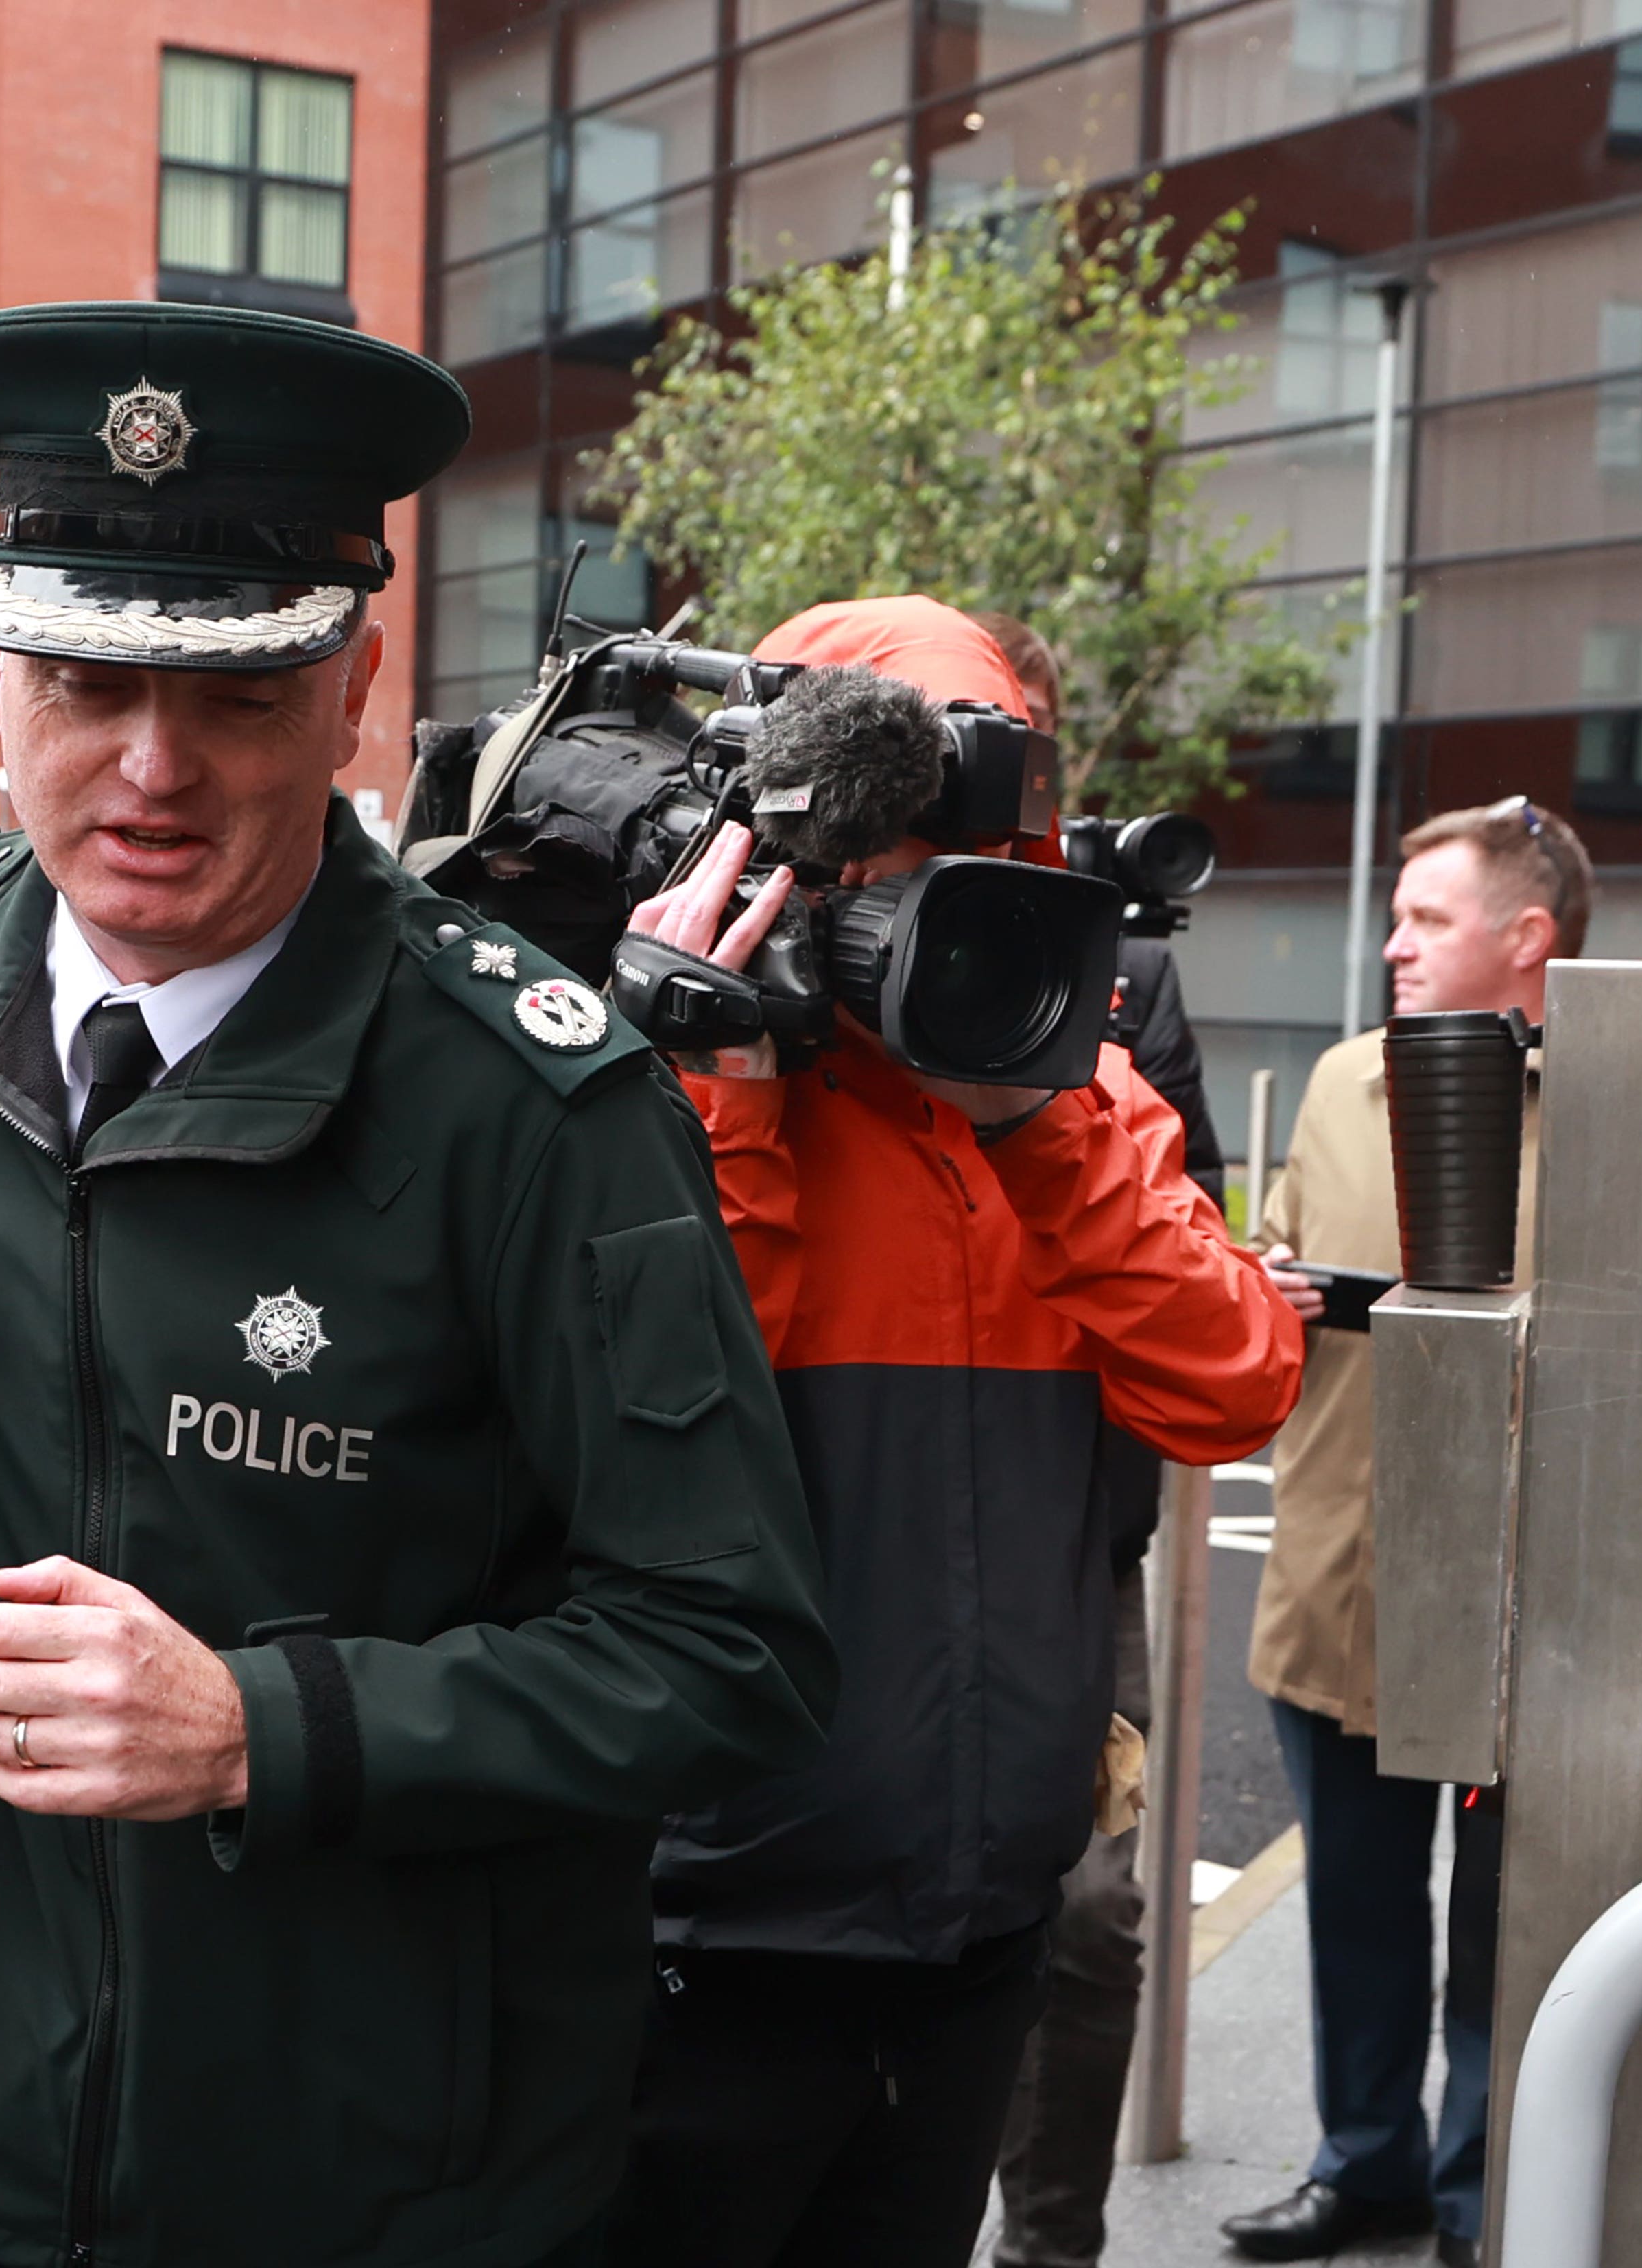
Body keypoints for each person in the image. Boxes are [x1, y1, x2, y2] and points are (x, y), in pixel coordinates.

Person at [0, 301, 835, 2268]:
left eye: (233, 692)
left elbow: (737, 1657)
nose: (148, 768)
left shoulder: (536, 1103)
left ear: (357, 686)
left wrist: (252, 1728)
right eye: (79, 679)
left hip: (381, 2187)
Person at [612, 595, 1304, 2268]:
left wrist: (1032, 1113)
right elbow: (658, 1429)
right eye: (878, 867)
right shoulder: (659, 1071)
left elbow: (1231, 1382)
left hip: (977, 1933)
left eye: (961, 862)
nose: (913, 916)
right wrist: (724, 1077)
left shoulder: (1072, 1090)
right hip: (711, 1940)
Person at [1226, 796, 1592, 2267]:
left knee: (1508, 1931)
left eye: (1424, 918)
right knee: (1354, 1913)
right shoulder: (1335, 1081)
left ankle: (1478, 2193)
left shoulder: (1618, 1104)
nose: (1389, 943)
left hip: (1524, 1598)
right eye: (1393, 915)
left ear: (1525, 940)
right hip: (1338, 1573)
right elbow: (1285, 1286)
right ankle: (1362, 2160)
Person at [965, 614, 1225, 2268]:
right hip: (842, 1482)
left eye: (1030, 742)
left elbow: (1185, 1256)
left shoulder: (1119, 971)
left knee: (1085, 1910)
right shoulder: (799, 932)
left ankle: (1050, 2238)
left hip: (1066, 1508)